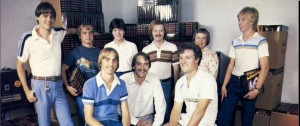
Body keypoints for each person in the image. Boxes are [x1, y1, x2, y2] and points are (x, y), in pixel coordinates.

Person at [16, 2, 74, 125]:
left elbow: (69, 30)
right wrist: (27, 91)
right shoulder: (28, 38)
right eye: (45, 15)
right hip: (40, 85)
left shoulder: (58, 33)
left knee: (67, 123)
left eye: (52, 16)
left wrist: (82, 30)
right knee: (44, 123)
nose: (49, 19)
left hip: (58, 85)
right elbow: (19, 65)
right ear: (37, 17)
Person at [216, 6, 269, 126]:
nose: (239, 23)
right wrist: (224, 85)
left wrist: (256, 90)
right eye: (239, 20)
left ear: (252, 21)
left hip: (250, 84)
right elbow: (230, 66)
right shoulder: (235, 42)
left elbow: (265, 68)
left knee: (246, 121)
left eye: (242, 19)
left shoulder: (261, 41)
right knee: (222, 119)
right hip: (234, 83)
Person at [167, 43, 218, 126]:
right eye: (181, 58)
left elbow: (199, 111)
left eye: (187, 58)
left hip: (204, 123)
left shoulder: (207, 80)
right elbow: (176, 110)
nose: (183, 62)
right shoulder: (180, 82)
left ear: (197, 59)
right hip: (186, 120)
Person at [61, 23, 101, 126]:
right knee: (83, 121)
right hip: (81, 95)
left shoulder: (100, 52)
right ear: (80, 36)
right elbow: (62, 69)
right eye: (84, 33)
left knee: (98, 120)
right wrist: (67, 86)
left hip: (98, 93)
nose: (88, 36)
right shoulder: (75, 52)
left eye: (90, 33)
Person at [142, 19, 180, 124]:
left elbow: (176, 68)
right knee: (151, 109)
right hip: (150, 84)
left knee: (166, 109)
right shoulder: (146, 50)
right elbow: (143, 70)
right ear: (151, 32)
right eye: (155, 31)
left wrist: (175, 85)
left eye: (161, 31)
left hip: (166, 84)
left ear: (164, 32)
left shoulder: (172, 47)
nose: (158, 33)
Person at [82, 48, 130, 126]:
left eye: (114, 60)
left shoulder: (122, 84)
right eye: (107, 59)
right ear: (100, 62)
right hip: (95, 123)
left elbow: (125, 113)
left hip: (114, 122)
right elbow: (88, 118)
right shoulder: (89, 84)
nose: (111, 63)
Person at [120, 52, 166, 126]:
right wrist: (136, 122)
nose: (142, 68)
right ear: (133, 66)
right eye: (139, 64)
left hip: (147, 119)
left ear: (149, 66)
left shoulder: (154, 79)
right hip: (127, 118)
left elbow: (161, 105)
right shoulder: (123, 80)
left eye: (145, 64)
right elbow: (119, 109)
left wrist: (155, 125)